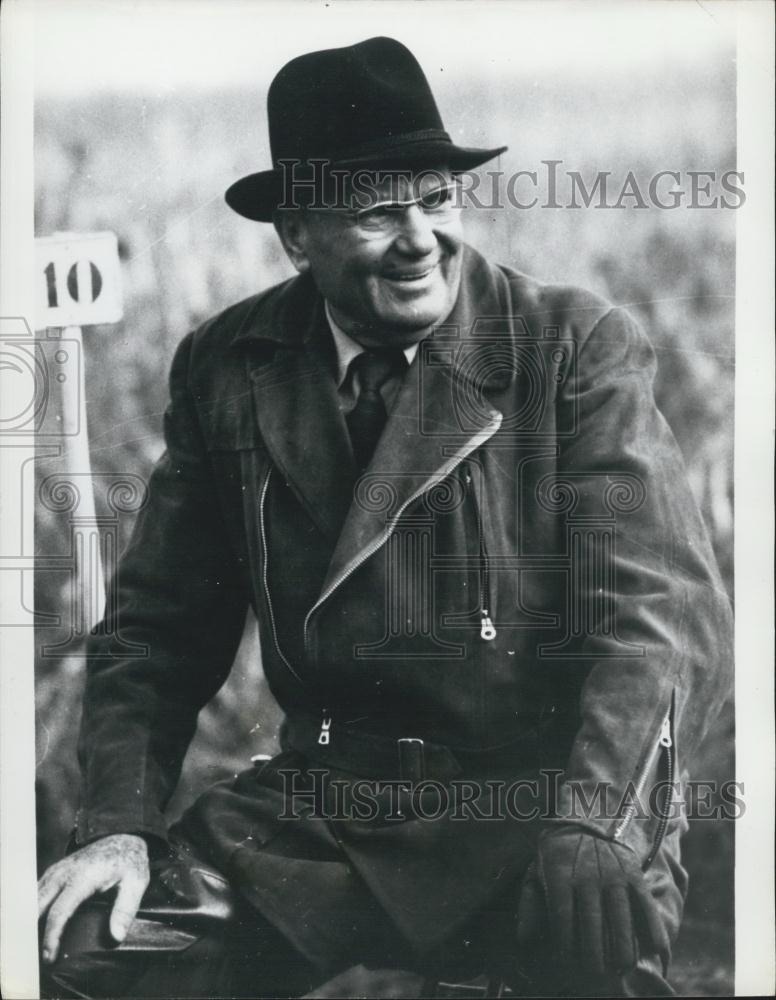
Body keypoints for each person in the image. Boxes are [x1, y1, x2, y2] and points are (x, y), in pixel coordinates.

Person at [38, 36, 733, 999]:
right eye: (374, 211)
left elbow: (665, 616)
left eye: (436, 198)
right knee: (85, 953)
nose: (421, 239)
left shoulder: (570, 350)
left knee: (595, 946)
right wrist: (117, 823)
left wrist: (600, 818)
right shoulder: (230, 368)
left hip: (539, 809)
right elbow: (156, 630)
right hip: (318, 813)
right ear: (296, 233)